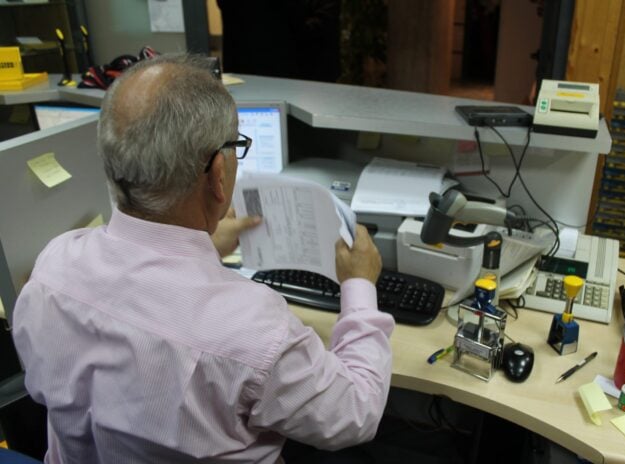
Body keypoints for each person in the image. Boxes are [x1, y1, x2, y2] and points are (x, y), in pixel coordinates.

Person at [12, 54, 394, 463]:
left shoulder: (53, 267)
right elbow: (356, 414)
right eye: (235, 148)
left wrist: (205, 245)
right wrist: (359, 285)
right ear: (217, 175)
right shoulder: (254, 329)